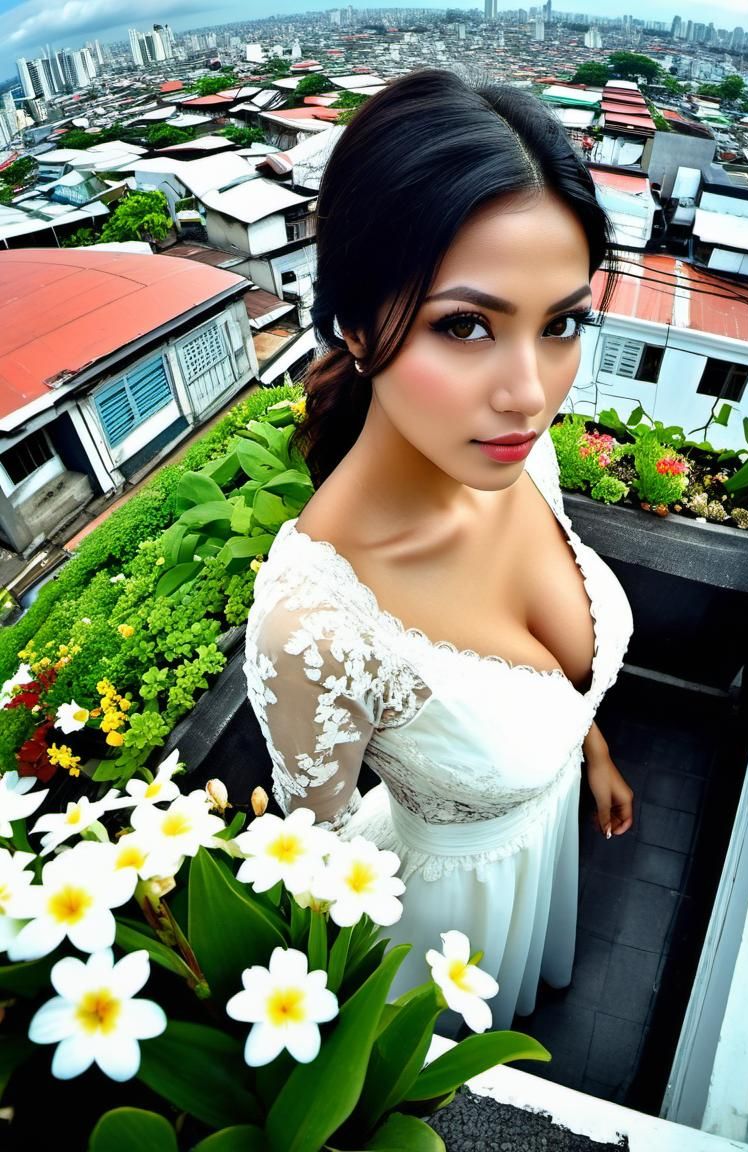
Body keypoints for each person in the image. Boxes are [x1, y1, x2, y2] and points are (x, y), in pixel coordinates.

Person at [244, 68, 634, 1030]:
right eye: (465, 325)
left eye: (561, 325)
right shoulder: (315, 624)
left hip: (542, 841)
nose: (530, 393)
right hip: (439, 920)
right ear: (352, 321)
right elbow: (316, 874)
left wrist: (590, 750)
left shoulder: (517, 462)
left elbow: (550, 680)